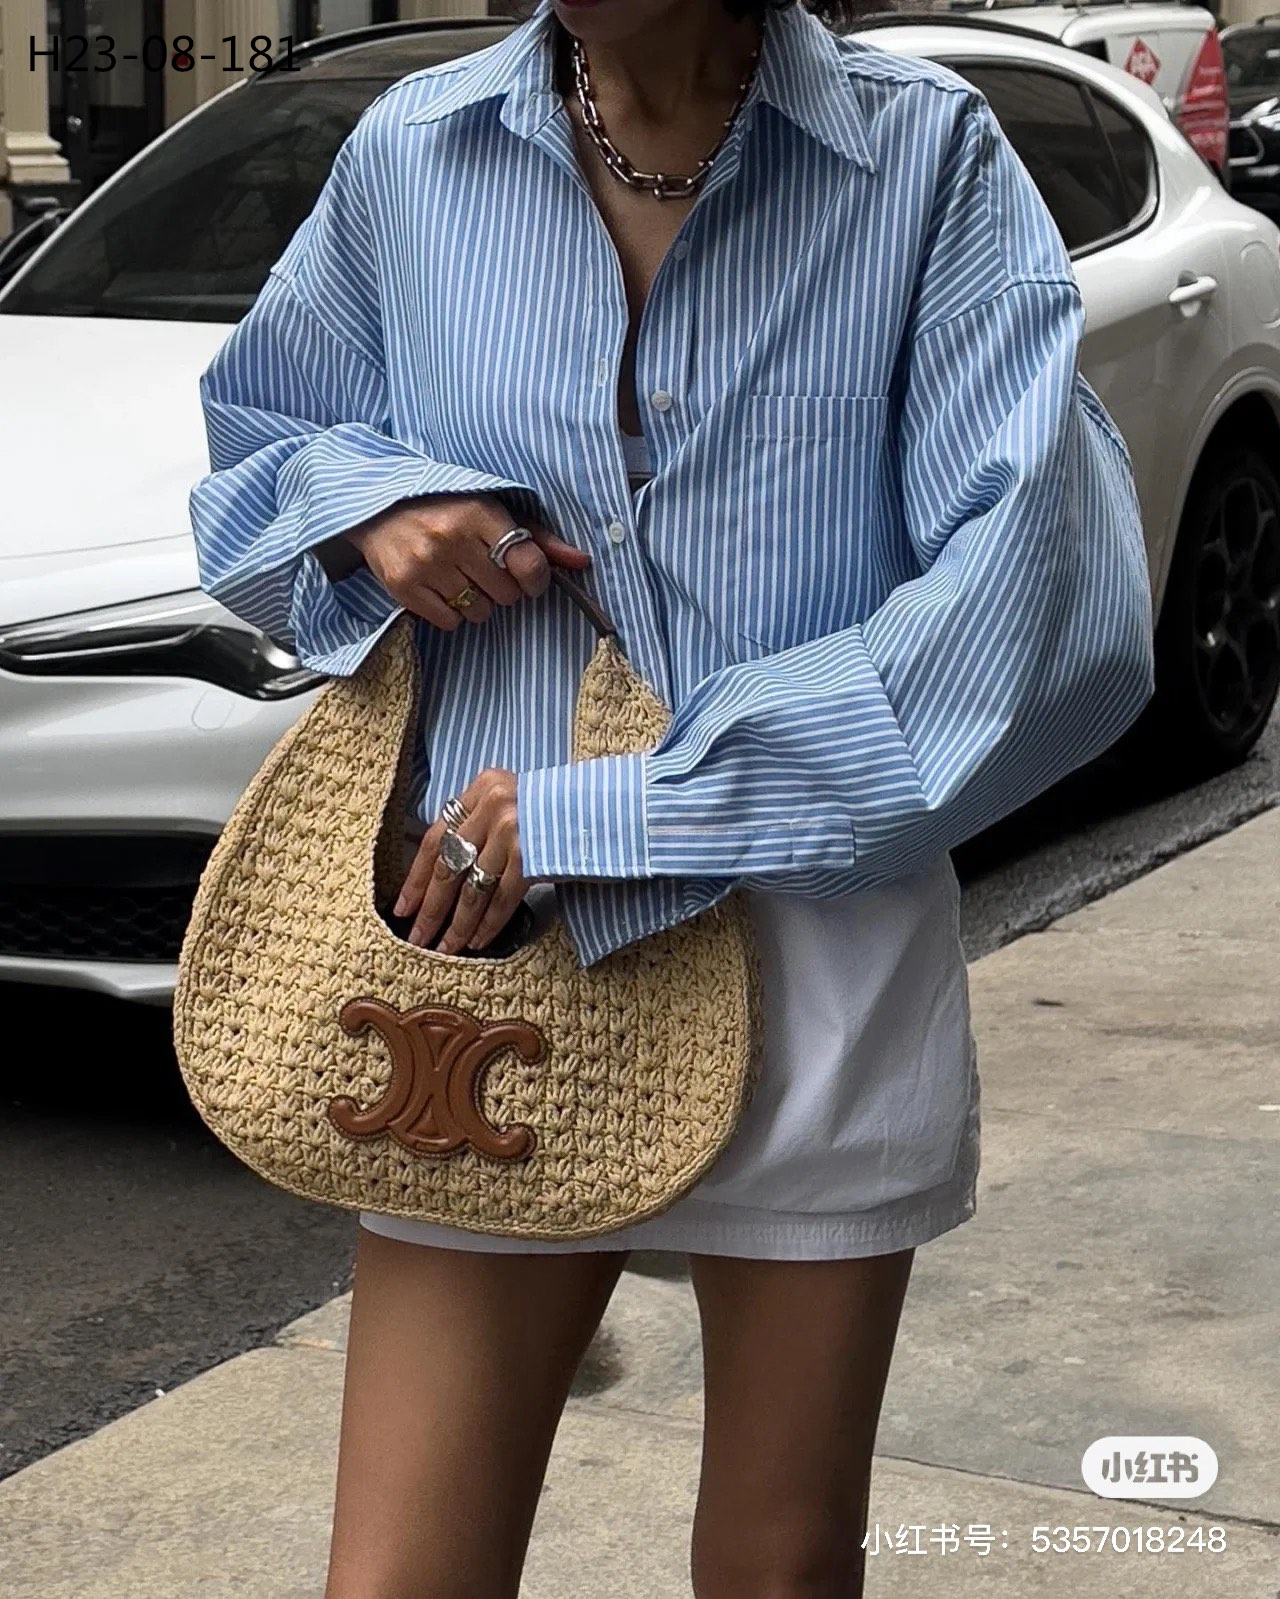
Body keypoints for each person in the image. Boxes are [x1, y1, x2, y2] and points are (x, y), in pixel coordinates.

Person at [188, 0, 1155, 1593]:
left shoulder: (922, 162)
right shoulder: (418, 153)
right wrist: (373, 507)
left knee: (778, 1571)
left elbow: (1039, 608)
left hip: (814, 963)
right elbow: (258, 442)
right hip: (479, 978)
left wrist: (611, 813)